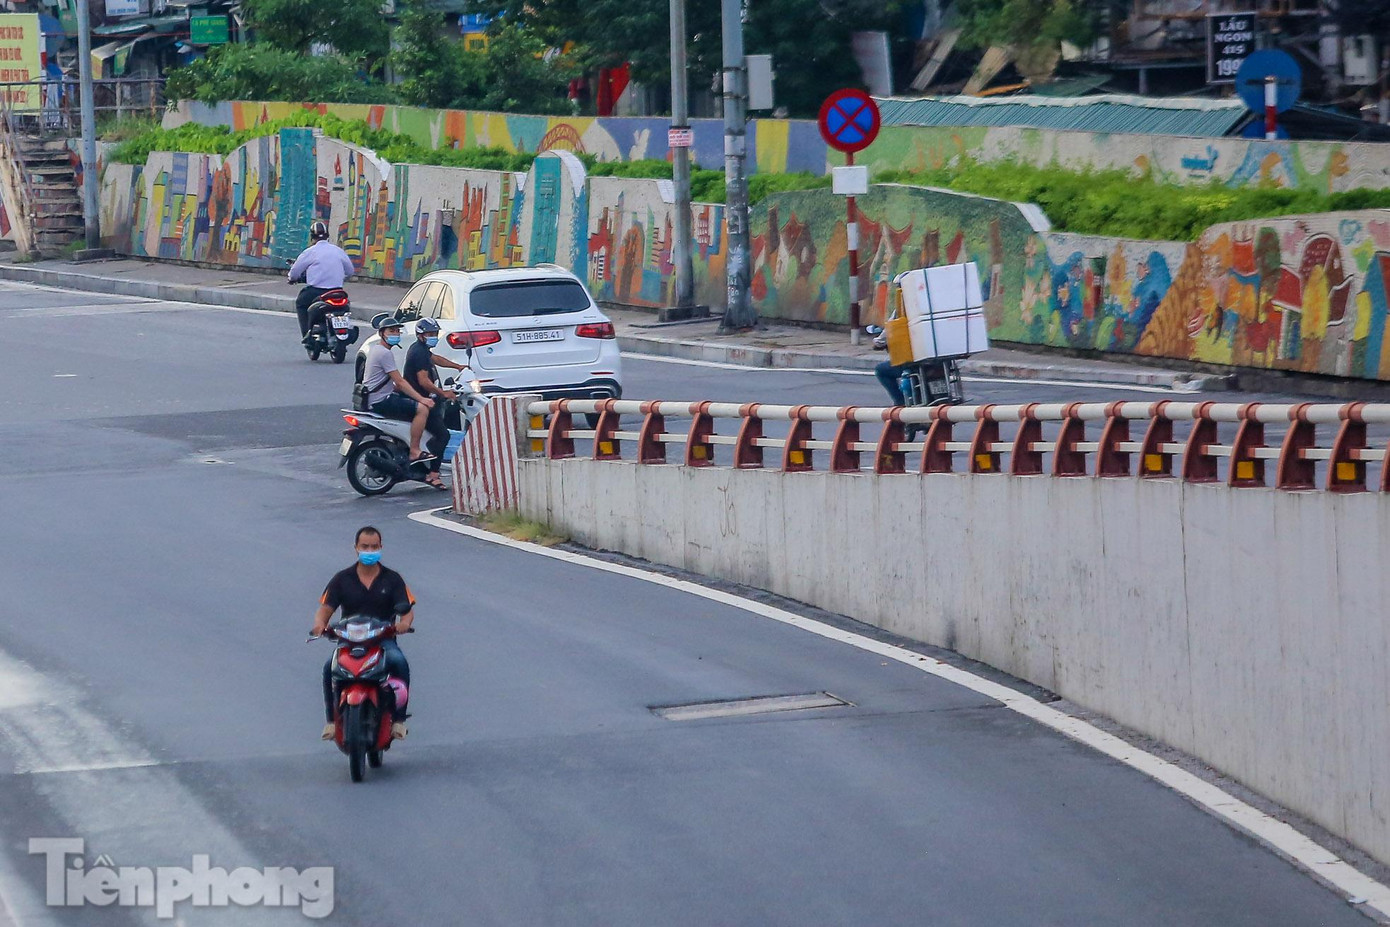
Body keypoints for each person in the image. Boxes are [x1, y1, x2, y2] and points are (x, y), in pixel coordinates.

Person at [311, 526, 414, 740]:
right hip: (348, 643)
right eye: (365, 546)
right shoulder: (342, 579)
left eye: (374, 546)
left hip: (383, 641)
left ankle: (399, 720)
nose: (369, 550)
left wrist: (404, 623)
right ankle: (331, 721)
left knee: (399, 662)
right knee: (328, 668)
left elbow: (407, 611)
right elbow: (325, 610)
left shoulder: (392, 579)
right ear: (356, 548)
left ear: (381, 547)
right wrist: (320, 625)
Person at [403, 317, 470, 490]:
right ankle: (433, 474)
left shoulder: (422, 350)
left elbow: (436, 359)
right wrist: (444, 394)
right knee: (443, 435)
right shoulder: (419, 353)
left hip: (424, 399)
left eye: (435, 333)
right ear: (421, 335)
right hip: (422, 400)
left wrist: (458, 367)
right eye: (430, 334)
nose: (434, 336)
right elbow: (424, 381)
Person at [362, 313, 435, 465]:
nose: (395, 334)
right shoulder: (384, 353)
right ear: (382, 333)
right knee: (422, 409)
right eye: (391, 331)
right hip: (381, 401)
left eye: (397, 331)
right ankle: (415, 451)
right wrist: (422, 399)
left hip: (376, 397)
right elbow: (400, 381)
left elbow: (391, 383)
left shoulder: (377, 350)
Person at [287, 221, 353, 342]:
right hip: (338, 291)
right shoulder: (338, 251)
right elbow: (350, 271)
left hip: (316, 292)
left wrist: (291, 278)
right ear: (327, 235)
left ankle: (307, 335)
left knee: (301, 303)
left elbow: (295, 271)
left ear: (312, 237)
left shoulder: (310, 252)